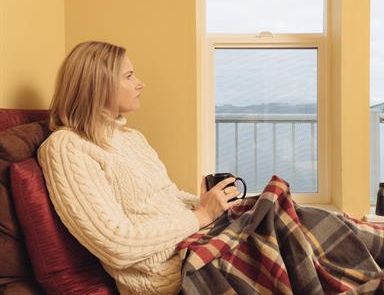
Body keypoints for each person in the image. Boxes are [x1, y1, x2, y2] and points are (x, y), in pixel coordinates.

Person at [37, 41, 241, 295]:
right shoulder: (66, 147)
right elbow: (116, 244)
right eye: (129, 76)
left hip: (198, 240)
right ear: (99, 85)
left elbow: (168, 195)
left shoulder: (132, 138)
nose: (140, 83)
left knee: (280, 211)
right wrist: (201, 215)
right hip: (175, 273)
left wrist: (211, 204)